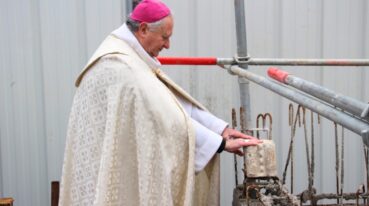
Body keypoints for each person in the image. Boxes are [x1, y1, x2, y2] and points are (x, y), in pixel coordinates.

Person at [59, 0, 261, 205]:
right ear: (144, 29)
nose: (167, 45)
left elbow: (169, 103)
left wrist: (220, 129)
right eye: (165, 37)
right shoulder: (122, 69)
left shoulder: (128, 55)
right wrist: (221, 144)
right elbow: (166, 117)